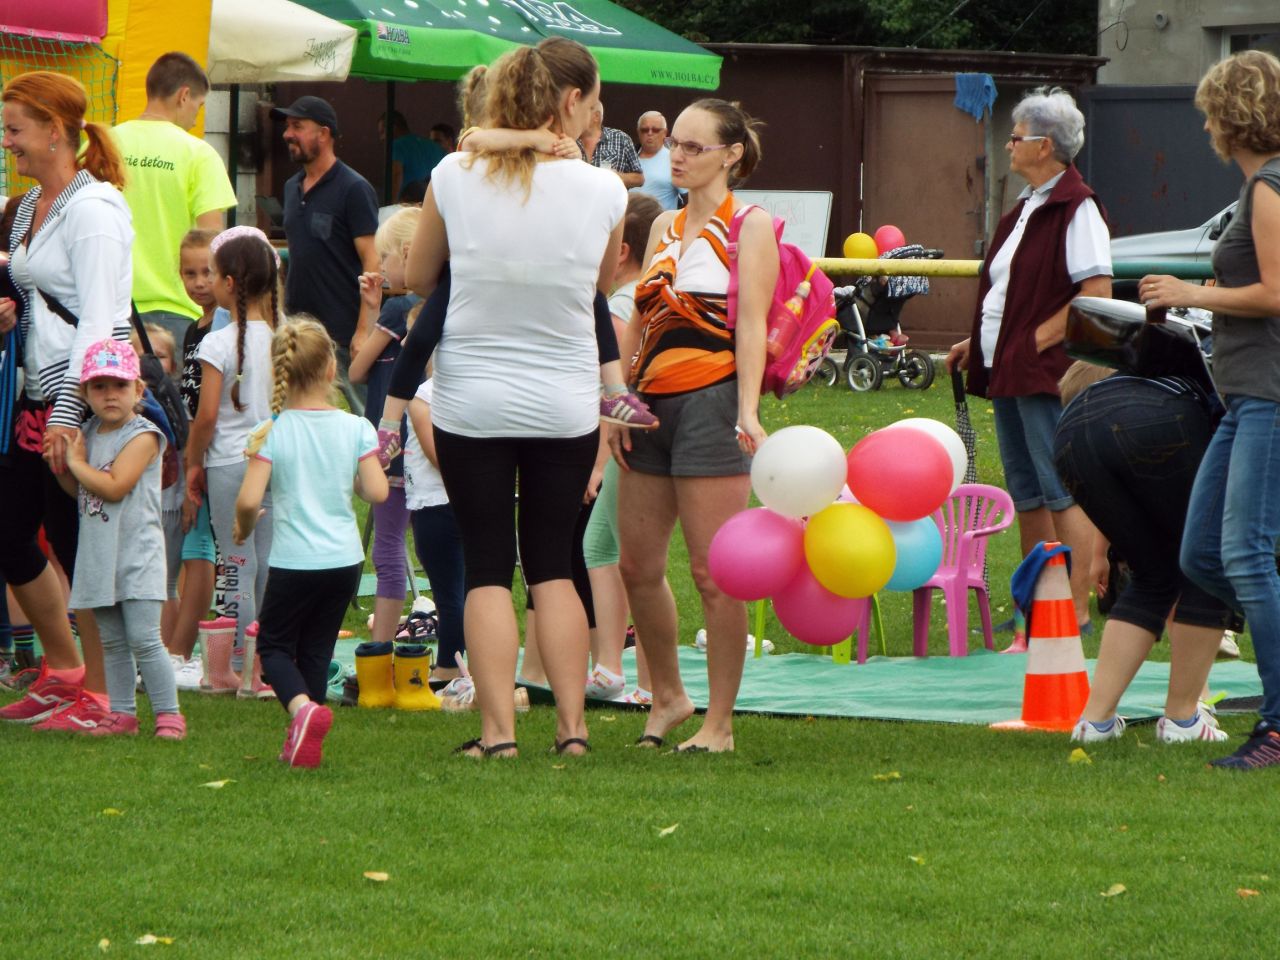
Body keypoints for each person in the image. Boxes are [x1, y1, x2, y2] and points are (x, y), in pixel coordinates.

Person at [404, 37, 626, 759]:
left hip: (471, 398)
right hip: (565, 399)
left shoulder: (453, 174)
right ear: (570, 101)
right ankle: (573, 729)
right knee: (554, 564)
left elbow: (417, 275)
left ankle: (498, 734)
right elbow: (599, 287)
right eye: (594, 100)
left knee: (488, 565)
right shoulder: (605, 189)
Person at [611, 99, 778, 754]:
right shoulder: (664, 224)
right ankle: (670, 697)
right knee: (636, 565)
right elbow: (639, 319)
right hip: (648, 404)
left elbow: (752, 324)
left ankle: (720, 723)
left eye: (692, 147)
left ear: (731, 155)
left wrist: (747, 410)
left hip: (711, 402)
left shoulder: (749, 225)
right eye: (673, 144)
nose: (676, 156)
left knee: (715, 573)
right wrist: (617, 399)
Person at [1140, 50, 1280, 770]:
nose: (1205, 128)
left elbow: (1276, 292)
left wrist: (1188, 293)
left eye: (1209, 114)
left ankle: (1277, 727)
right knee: (1203, 554)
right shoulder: (1261, 186)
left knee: (1247, 557)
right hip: (1243, 396)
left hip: (1270, 396)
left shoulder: (1269, 188)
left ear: (1232, 115)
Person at [945, 87, 1110, 634]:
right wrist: (980, 343)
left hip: (1044, 374)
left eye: (1016, 137)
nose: (1008, 146)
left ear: (1045, 145)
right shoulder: (1027, 207)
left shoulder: (1077, 206)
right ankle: (1037, 607)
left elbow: (1096, 293)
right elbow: (1011, 291)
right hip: (1010, 369)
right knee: (1029, 493)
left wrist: (1032, 343)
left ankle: (1075, 609)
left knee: (1061, 489)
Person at [0, 71, 132, 730]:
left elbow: (101, 319)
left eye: (15, 129)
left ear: (55, 130)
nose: (7, 142)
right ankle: (65, 672)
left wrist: (65, 414)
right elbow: (38, 297)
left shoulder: (94, 209)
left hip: (81, 400)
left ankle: (104, 698)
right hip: (34, 395)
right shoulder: (29, 206)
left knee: (81, 547)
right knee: (9, 531)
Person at [1054, 362, 1234, 745]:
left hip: (1069, 435)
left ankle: (1095, 722)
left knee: (1155, 575)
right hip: (1157, 421)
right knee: (1208, 566)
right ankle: (1183, 717)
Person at [235, 317, 387, 767]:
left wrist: (243, 527)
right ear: (330, 369)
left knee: (273, 647)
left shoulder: (270, 431)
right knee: (317, 648)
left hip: (294, 561)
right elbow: (376, 492)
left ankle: (302, 712)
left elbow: (249, 499)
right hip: (344, 560)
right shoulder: (357, 427)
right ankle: (305, 739)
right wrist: (354, 477)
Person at [54, 338, 185, 738]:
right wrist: (62, 467)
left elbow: (114, 487)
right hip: (100, 556)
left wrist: (76, 462)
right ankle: (123, 714)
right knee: (112, 641)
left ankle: (169, 714)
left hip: (137, 556)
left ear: (138, 390)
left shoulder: (143, 435)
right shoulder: (89, 433)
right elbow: (82, 491)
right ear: (85, 393)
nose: (110, 394)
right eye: (99, 386)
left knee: (145, 640)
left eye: (120, 385)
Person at [185, 231, 277, 686]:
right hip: (273, 462)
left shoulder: (217, 343)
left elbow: (205, 418)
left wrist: (191, 462)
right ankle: (264, 661)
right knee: (265, 559)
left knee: (237, 562)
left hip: (227, 463)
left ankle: (241, 664)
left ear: (228, 283)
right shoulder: (283, 338)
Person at [584, 192, 663, 702]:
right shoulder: (643, 293)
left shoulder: (619, 304)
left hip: (625, 440)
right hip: (630, 437)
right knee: (602, 548)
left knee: (635, 561)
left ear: (622, 249)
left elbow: (616, 389)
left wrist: (596, 464)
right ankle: (611, 668)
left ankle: (648, 682)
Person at [111, 52, 237, 347]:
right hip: (180, 310)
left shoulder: (102, 144)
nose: (195, 119)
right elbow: (212, 242)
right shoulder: (199, 154)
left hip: (110, 307)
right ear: (183, 96)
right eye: (198, 106)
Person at [274, 95, 380, 416]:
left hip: (343, 333)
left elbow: (372, 262)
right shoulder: (291, 187)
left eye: (297, 126)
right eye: (287, 126)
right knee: (296, 411)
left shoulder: (353, 189)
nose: (287, 134)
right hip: (297, 331)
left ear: (323, 133)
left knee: (364, 413)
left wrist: (363, 330)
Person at [351, 208, 422, 649]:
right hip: (429, 446)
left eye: (386, 257)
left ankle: (380, 646)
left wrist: (371, 310)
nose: (380, 266)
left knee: (388, 548)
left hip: (394, 447)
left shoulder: (399, 309)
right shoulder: (438, 304)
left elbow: (356, 368)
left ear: (408, 254)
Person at [405, 367, 466, 686]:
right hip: (465, 500)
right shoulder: (475, 386)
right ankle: (464, 661)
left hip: (437, 502)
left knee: (449, 593)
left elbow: (439, 457)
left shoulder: (425, 396)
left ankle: (448, 666)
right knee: (463, 589)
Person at [379, 111, 446, 201]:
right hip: (435, 204)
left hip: (409, 206)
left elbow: (395, 176)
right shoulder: (435, 147)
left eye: (382, 132)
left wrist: (389, 205)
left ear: (393, 127)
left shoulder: (396, 146)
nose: (381, 138)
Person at [580, 102, 644, 189]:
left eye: (581, 112)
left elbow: (639, 179)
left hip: (610, 197)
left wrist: (615, 177)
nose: (574, 116)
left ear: (596, 116)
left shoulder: (621, 139)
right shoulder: (570, 139)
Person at [634, 111, 682, 210]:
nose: (650, 133)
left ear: (665, 133)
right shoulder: (627, 158)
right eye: (644, 130)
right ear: (638, 132)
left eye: (655, 130)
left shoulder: (675, 160)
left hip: (661, 219)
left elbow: (690, 198)